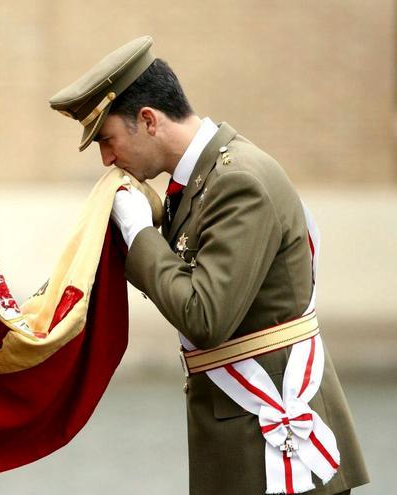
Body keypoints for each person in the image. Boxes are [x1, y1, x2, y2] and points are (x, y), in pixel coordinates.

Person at [50, 36, 369, 494]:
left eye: (107, 139)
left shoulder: (237, 181)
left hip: (277, 445)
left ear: (148, 120)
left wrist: (140, 234)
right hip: (244, 437)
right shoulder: (204, 179)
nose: (106, 158)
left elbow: (204, 316)